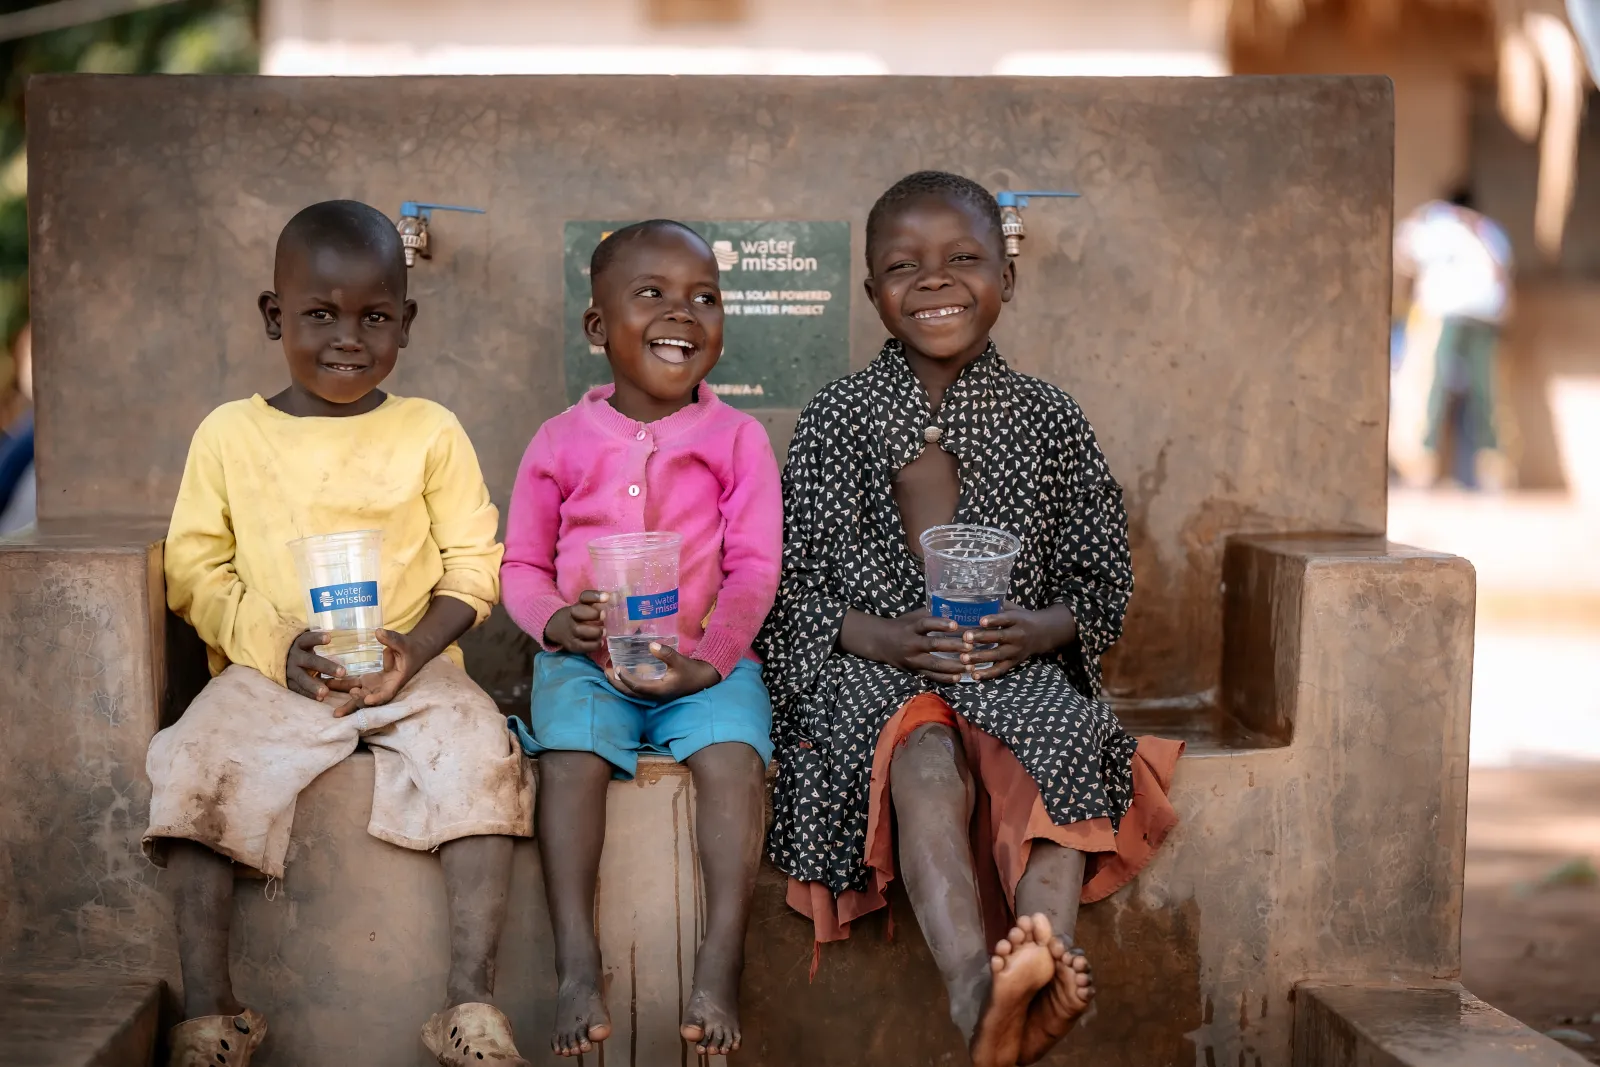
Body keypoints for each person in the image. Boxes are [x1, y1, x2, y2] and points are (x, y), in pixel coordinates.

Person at [759, 171, 1183, 1067]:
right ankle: (973, 990)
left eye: (963, 259)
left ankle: (1035, 969)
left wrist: (1038, 629)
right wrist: (882, 635)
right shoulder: (838, 417)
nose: (935, 280)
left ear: (1007, 279)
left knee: (1062, 744)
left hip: (1012, 663)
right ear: (872, 292)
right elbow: (788, 589)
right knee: (919, 765)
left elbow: (1102, 579)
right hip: (878, 670)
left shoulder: (1047, 418)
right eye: (903, 265)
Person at [144, 201, 534, 1067]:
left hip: (411, 669)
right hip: (271, 670)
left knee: (487, 755)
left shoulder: (429, 431)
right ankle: (212, 1013)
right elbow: (197, 572)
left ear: (407, 321)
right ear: (273, 315)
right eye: (319, 313)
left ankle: (468, 1002)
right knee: (194, 768)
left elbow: (474, 564)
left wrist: (415, 650)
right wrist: (277, 646)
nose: (347, 336)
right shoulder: (230, 434)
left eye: (375, 316)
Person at [500, 219, 781, 1058]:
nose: (682, 313)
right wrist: (555, 619)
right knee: (571, 762)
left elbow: (755, 567)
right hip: (587, 665)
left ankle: (720, 958)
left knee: (734, 762)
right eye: (652, 294)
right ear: (598, 327)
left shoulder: (738, 439)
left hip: (705, 661)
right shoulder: (558, 442)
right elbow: (518, 564)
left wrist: (712, 659)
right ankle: (577, 962)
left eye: (704, 297)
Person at [1392, 188, 1514, 489]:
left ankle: (1432, 467)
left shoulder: (1443, 226)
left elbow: (1401, 251)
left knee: (1457, 390)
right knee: (1447, 390)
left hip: (1455, 314)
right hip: (1472, 315)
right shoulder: (1483, 230)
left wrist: (1422, 212)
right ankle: (1429, 467)